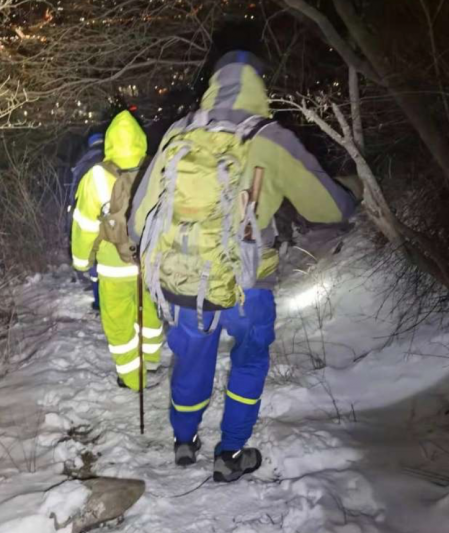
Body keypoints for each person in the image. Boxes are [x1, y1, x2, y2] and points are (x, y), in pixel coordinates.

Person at [131, 51, 357, 482]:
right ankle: (230, 454)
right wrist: (352, 196)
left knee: (191, 362)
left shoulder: (180, 134)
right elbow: (330, 207)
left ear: (213, 84)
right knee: (249, 362)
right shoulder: (270, 138)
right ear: (260, 86)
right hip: (249, 283)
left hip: (187, 282)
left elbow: (139, 218)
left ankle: (184, 440)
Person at [71, 110, 163, 390]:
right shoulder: (155, 169)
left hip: (113, 268)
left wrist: (81, 262)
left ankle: (133, 379)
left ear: (109, 142)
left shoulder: (96, 177)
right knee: (150, 312)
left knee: (119, 324)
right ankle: (151, 362)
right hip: (149, 263)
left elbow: (85, 225)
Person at [68, 132, 105, 310]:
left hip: (89, 213)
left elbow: (74, 193)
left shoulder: (83, 163)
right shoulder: (112, 158)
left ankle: (98, 300)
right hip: (113, 219)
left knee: (93, 260)